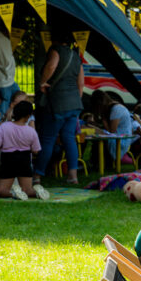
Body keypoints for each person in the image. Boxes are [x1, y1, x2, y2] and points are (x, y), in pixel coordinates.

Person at [34, 27, 83, 186]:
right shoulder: (76, 56)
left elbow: (51, 66)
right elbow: (81, 83)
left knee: (48, 139)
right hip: (74, 104)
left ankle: (37, 175)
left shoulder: (55, 50)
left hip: (57, 103)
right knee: (69, 138)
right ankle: (73, 175)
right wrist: (76, 100)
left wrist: (43, 81)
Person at [0, 100, 47, 200]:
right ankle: (36, 192)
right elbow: (36, 151)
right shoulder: (31, 131)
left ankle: (13, 193)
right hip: (24, 159)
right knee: (27, 190)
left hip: (8, 159)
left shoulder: (4, 127)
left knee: (2, 190)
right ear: (28, 116)